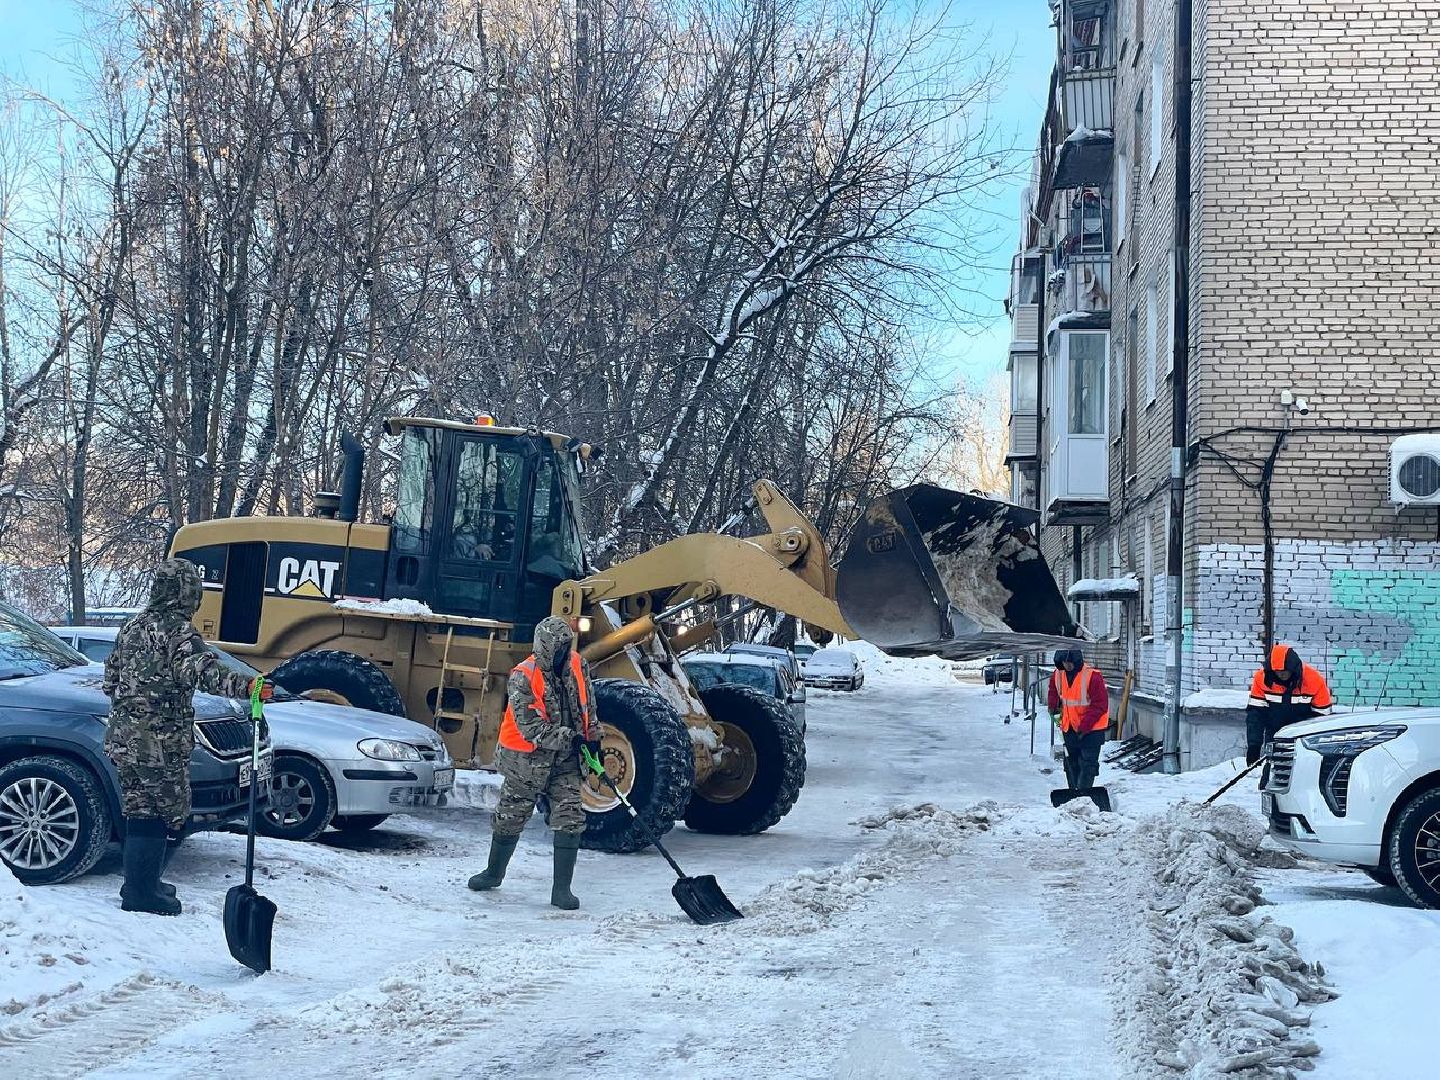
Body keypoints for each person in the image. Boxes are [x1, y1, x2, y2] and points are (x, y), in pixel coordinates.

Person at [102, 558, 270, 916]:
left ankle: (140, 884)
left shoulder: (132, 626)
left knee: (140, 808)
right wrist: (249, 685)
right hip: (159, 745)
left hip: (122, 738)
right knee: (169, 813)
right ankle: (141, 892)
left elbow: (109, 679)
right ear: (187, 594)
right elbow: (202, 671)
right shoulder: (177, 631)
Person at [468, 616, 601, 910]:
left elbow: (588, 706)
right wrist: (572, 738)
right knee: (510, 817)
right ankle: (493, 873)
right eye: (559, 647)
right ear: (544, 647)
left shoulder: (578, 665)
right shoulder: (523, 676)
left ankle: (561, 891)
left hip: (565, 761)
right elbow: (531, 728)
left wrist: (594, 740)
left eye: (567, 646)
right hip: (525, 762)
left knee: (570, 817)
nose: (565, 652)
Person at [1246, 644, 1333, 766]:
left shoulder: (1314, 680)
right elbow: (1255, 716)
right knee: (1271, 775)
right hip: (1275, 735)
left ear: (1293, 668)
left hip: (1305, 739)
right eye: (1277, 672)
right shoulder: (1262, 679)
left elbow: (1323, 719)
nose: (1281, 675)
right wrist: (1254, 746)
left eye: (1284, 671)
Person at [1047, 647, 1109, 791]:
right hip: (1069, 729)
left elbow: (1100, 705)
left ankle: (1084, 795)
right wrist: (1053, 709)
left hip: (1091, 730)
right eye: (1064, 662)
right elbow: (1053, 693)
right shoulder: (1058, 675)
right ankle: (1073, 794)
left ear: (1077, 660)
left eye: (1069, 662)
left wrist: (1085, 726)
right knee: (1071, 764)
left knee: (1087, 765)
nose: (1067, 665)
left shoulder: (1092, 676)